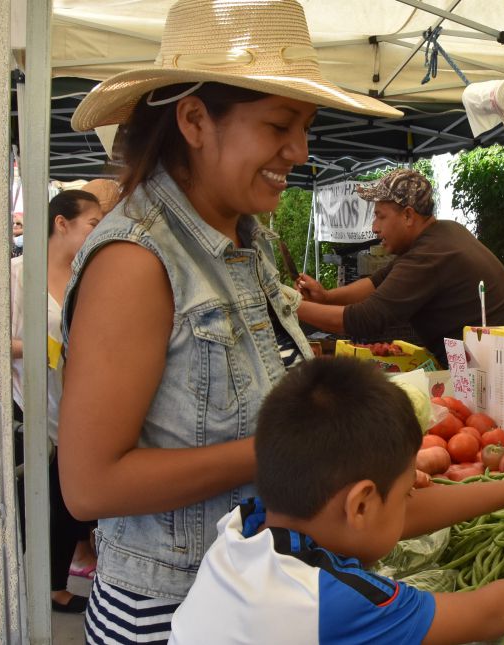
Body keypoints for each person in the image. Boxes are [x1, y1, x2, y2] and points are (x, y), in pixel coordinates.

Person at [58, 0, 400, 641]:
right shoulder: (136, 260)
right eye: (278, 126)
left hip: (247, 595)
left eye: (306, 128)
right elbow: (89, 484)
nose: (298, 151)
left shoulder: (249, 241)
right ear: (193, 119)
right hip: (172, 612)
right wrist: (292, 451)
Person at [169, 356, 504, 644]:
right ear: (360, 505)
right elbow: (484, 614)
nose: (411, 499)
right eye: (407, 489)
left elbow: (397, 519)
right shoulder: (335, 601)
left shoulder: (245, 528)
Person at [0, 189, 105, 613]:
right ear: (61, 224)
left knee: (71, 501)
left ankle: (52, 580)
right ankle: (40, 586)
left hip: (74, 404)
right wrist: (34, 347)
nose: (98, 232)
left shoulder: (87, 277)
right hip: (24, 404)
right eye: (93, 224)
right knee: (39, 499)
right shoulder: (15, 274)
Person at [295, 169, 504, 366]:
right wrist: (326, 297)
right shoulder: (442, 231)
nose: (374, 227)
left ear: (408, 216)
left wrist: (291, 308)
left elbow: (366, 318)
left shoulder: (429, 256)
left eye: (380, 216)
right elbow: (376, 284)